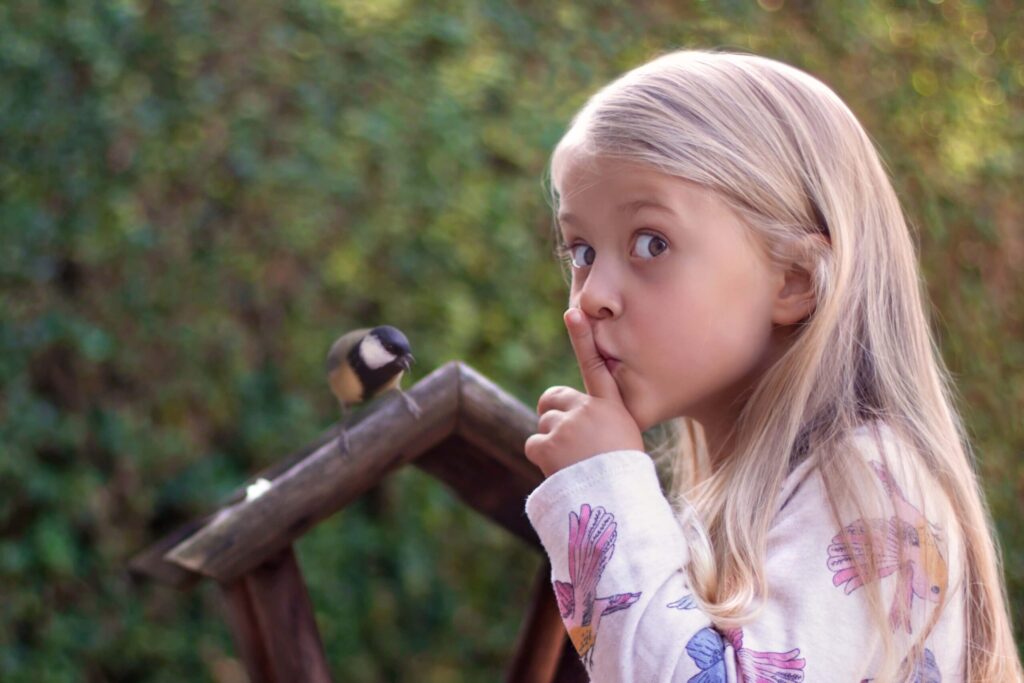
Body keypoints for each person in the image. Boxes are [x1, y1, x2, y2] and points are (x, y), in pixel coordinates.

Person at [523, 49, 1023, 682]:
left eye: (652, 243)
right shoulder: (755, 501)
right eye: (582, 249)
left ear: (793, 281)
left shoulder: (871, 486)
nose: (592, 292)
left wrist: (602, 492)